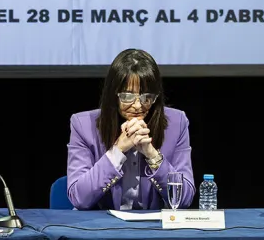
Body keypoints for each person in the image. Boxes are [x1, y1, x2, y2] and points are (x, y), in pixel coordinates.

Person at [66, 49, 195, 210]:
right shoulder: (83, 125)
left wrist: (152, 155)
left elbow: (184, 199)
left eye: (146, 97)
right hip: (102, 228)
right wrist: (118, 150)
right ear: (113, 95)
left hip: (154, 229)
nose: (137, 105)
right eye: (127, 96)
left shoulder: (176, 122)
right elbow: (79, 198)